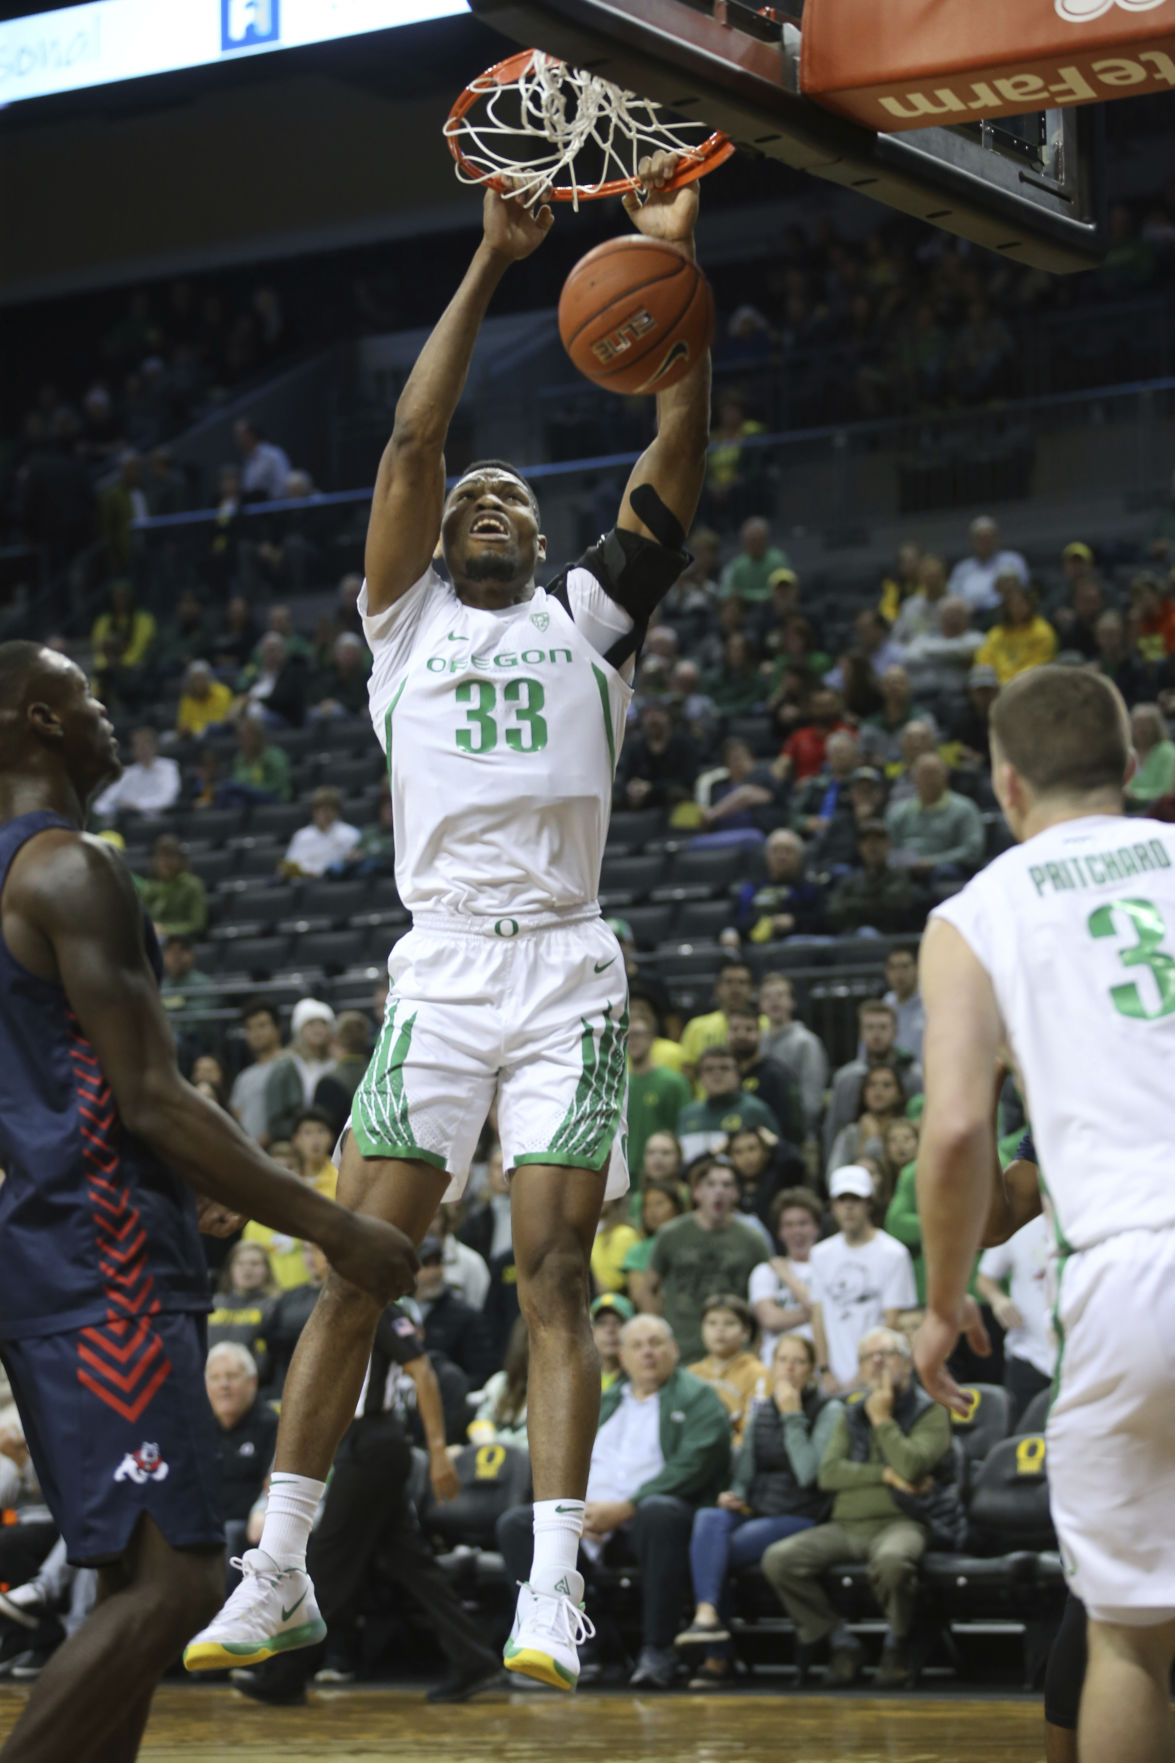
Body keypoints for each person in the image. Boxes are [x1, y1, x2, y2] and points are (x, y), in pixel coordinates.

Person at [187, 156, 710, 1695]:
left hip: (565, 968)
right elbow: (418, 429)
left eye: (513, 496)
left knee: (553, 1270)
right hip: (442, 970)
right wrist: (495, 261)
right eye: (467, 497)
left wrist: (676, 287)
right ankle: (277, 1566)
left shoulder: (589, 618)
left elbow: (676, 445)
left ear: (540, 546)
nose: (485, 495)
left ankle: (553, 1588)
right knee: (358, 1258)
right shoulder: (399, 621)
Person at [0, 639, 414, 1763]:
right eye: (86, 695)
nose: (107, 713)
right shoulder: (67, 867)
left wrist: (192, 1176)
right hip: (108, 1260)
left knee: (135, 1578)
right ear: (38, 719)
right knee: (180, 1581)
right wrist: (336, 1224)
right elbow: (149, 1094)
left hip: (53, 1251)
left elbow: (64, 1079)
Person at [913, 663, 1175, 1763]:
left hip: (1132, 1267)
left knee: (1127, 1640)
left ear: (1004, 786)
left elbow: (958, 1132)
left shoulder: (976, 914)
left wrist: (938, 1302)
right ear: (1128, 766)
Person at [227, 1298, 503, 1708]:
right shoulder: (333, 1308)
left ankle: (285, 1674)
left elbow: (422, 1371)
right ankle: (475, 1659)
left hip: (375, 1444)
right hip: (354, 1444)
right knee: (412, 1564)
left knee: (326, 1561)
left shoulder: (377, 1306)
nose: (318, 1255)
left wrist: (439, 1450)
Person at [496, 1314, 731, 1690]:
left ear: (674, 1350)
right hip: (589, 1518)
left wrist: (627, 1506)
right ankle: (572, 1643)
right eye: (637, 1346)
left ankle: (658, 1650)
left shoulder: (699, 1397)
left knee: (660, 1512)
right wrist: (577, 1510)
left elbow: (695, 1463)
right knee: (516, 1523)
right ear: (620, 1354)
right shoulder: (603, 1400)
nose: (648, 1353)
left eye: (656, 1343)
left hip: (647, 1520)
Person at [761, 1327, 959, 1688]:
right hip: (846, 1525)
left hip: (904, 1521)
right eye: (869, 1357)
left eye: (888, 1354)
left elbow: (913, 1465)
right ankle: (840, 1640)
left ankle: (897, 1643)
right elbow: (828, 1474)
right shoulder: (849, 1414)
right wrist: (886, 1474)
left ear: (907, 1363)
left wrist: (883, 1420)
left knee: (893, 1562)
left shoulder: (931, 1412)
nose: (878, 1362)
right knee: (779, 1560)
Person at [676, 1334, 842, 1686]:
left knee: (721, 1550)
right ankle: (707, 1615)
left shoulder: (829, 1410)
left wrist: (794, 1415)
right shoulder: (763, 1411)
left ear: (811, 1370)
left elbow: (810, 1474)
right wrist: (733, 1495)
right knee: (708, 1518)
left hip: (803, 1514)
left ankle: (717, 1659)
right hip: (760, 1509)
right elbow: (744, 1474)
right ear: (773, 1366)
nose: (790, 1369)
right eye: (783, 1360)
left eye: (799, 1362)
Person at [809, 1167, 918, 1392]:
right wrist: (825, 1370)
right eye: (842, 1200)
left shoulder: (894, 1253)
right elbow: (818, 1315)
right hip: (832, 1378)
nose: (848, 1207)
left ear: (869, 1204)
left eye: (856, 1200)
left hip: (878, 1375)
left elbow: (894, 1321)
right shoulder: (820, 1254)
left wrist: (865, 1373)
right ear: (833, 1205)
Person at [645, 1158, 765, 1362]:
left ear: (736, 1193)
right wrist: (657, 1335)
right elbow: (649, 1288)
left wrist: (756, 1348)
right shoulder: (671, 1234)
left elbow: (763, 1300)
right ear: (696, 1192)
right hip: (680, 1353)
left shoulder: (753, 1239)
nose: (719, 1191)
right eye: (710, 1184)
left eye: (727, 1185)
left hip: (734, 1356)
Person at [976, 1213, 1056, 1428]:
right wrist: (998, 1300)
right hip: (1028, 1353)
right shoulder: (1017, 1225)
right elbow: (985, 1278)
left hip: (1078, 1355)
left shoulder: (1085, 1218)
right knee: (1023, 1439)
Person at [824, 1000, 922, 1159]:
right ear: (861, 1032)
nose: (876, 1034)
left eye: (883, 1027)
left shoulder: (913, 1077)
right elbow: (834, 1128)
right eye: (869, 1027)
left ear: (895, 1031)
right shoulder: (847, 1078)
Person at [886, 753, 986, 884]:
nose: (929, 779)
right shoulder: (898, 812)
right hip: (906, 872)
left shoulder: (965, 808)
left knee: (945, 872)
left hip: (946, 871)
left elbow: (972, 851)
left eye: (933, 773)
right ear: (913, 777)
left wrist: (932, 862)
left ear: (945, 775)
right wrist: (910, 863)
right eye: (923, 773)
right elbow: (890, 849)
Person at [677, 1045, 781, 1165]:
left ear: (738, 1074)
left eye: (724, 1068)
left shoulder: (755, 1110)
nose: (716, 1073)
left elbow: (777, 1155)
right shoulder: (687, 1114)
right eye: (709, 1069)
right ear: (700, 1077)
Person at [749, 1186, 820, 1364]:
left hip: (818, 1364)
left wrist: (788, 1277)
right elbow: (770, 1319)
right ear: (780, 1232)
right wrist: (817, 1313)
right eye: (789, 1225)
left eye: (803, 1223)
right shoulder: (765, 1271)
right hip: (774, 1365)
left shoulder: (829, 1269)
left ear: (816, 1228)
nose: (797, 1231)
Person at [686, 1294, 764, 1444]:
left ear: (746, 1332)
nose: (720, 1330)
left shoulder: (757, 1373)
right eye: (712, 1323)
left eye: (729, 1323)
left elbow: (754, 1427)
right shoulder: (691, 1374)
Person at [758, 973, 828, 1140]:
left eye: (781, 995)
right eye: (768, 996)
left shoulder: (806, 1042)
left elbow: (812, 1099)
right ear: (761, 1004)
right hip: (761, 1137)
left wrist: (797, 1132)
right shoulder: (758, 1042)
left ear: (792, 1002)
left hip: (797, 1136)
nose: (774, 1001)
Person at [625, 1010, 691, 1185]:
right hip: (626, 1176)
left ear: (653, 1039)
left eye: (638, 1034)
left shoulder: (673, 1082)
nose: (632, 1040)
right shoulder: (619, 1086)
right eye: (627, 1035)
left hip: (662, 1178)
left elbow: (684, 1130)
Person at [264, 999, 337, 1143]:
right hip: (293, 1144)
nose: (318, 1029)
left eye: (323, 1023)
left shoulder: (334, 1064)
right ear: (299, 1029)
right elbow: (275, 1120)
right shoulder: (285, 1066)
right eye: (311, 1024)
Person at [826, 1066, 908, 1189]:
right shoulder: (851, 1133)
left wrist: (873, 1139)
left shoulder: (907, 1131)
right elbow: (833, 1176)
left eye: (886, 1085)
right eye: (872, 1085)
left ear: (899, 1093)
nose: (878, 1090)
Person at [679, 959, 764, 1077]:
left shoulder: (765, 1024)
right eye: (729, 982)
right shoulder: (696, 1026)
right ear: (717, 988)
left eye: (742, 982)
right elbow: (688, 1073)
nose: (735, 988)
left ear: (751, 989)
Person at [622, 1174, 685, 1312]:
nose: (652, 1211)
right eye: (646, 1206)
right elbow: (639, 1296)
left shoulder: (689, 1243)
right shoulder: (637, 1251)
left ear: (676, 1207)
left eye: (659, 1203)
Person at [975, 580, 1059, 684]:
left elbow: (1040, 664)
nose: (1018, 608)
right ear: (1006, 608)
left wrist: (1013, 680)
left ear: (1030, 605)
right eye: (1013, 604)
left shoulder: (1042, 631)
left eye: (1021, 603)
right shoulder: (997, 632)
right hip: (996, 685)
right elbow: (984, 659)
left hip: (1028, 684)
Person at [946, 514, 1028, 614]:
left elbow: (1023, 590)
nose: (985, 542)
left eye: (989, 537)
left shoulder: (1013, 560)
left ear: (997, 538)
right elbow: (952, 595)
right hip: (970, 617)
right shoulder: (962, 568)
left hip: (1005, 613)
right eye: (980, 538)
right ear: (972, 541)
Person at [92, 727, 180, 819]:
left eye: (144, 745)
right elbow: (102, 803)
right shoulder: (127, 772)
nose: (140, 749)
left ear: (154, 747)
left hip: (157, 821)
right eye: (136, 745)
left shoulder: (168, 767)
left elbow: (168, 798)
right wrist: (111, 811)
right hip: (127, 820)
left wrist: (136, 805)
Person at [229, 1002, 286, 1145]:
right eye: (250, 1028)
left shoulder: (291, 1064)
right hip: (249, 1153)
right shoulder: (244, 1077)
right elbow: (237, 1117)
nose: (256, 1033)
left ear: (277, 1029)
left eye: (262, 1025)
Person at [137, 835, 207, 941]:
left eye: (169, 856)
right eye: (160, 857)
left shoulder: (192, 885)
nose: (164, 862)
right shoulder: (149, 887)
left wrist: (167, 930)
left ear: (180, 859)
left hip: (181, 942)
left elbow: (197, 924)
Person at [281, 787, 361, 879]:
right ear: (313, 811)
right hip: (306, 884)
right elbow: (289, 866)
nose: (325, 813)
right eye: (320, 808)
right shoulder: (301, 836)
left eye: (329, 808)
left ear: (338, 811)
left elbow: (353, 864)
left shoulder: (350, 834)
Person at [1124, 703, 1175, 809]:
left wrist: (1136, 797)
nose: (1142, 729)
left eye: (1146, 724)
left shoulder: (1167, 752)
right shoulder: (1126, 752)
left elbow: (1167, 792)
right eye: (1138, 724)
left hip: (1159, 813)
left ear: (1157, 726)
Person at [881, 945, 924, 1064]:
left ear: (917, 968)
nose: (899, 974)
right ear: (886, 972)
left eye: (905, 966)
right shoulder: (885, 1005)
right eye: (893, 968)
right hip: (891, 1077)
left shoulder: (931, 1004)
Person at [175, 662, 234, 739]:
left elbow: (223, 720)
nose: (199, 683)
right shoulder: (187, 698)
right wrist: (184, 729)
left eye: (201, 679)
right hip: (193, 737)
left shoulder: (222, 692)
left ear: (209, 679)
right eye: (195, 680)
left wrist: (199, 730)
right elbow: (183, 724)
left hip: (216, 734)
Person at [590, 1292, 632, 1392]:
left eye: (618, 1322)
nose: (609, 1330)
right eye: (601, 1323)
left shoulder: (642, 1380)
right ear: (592, 1331)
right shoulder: (581, 1380)